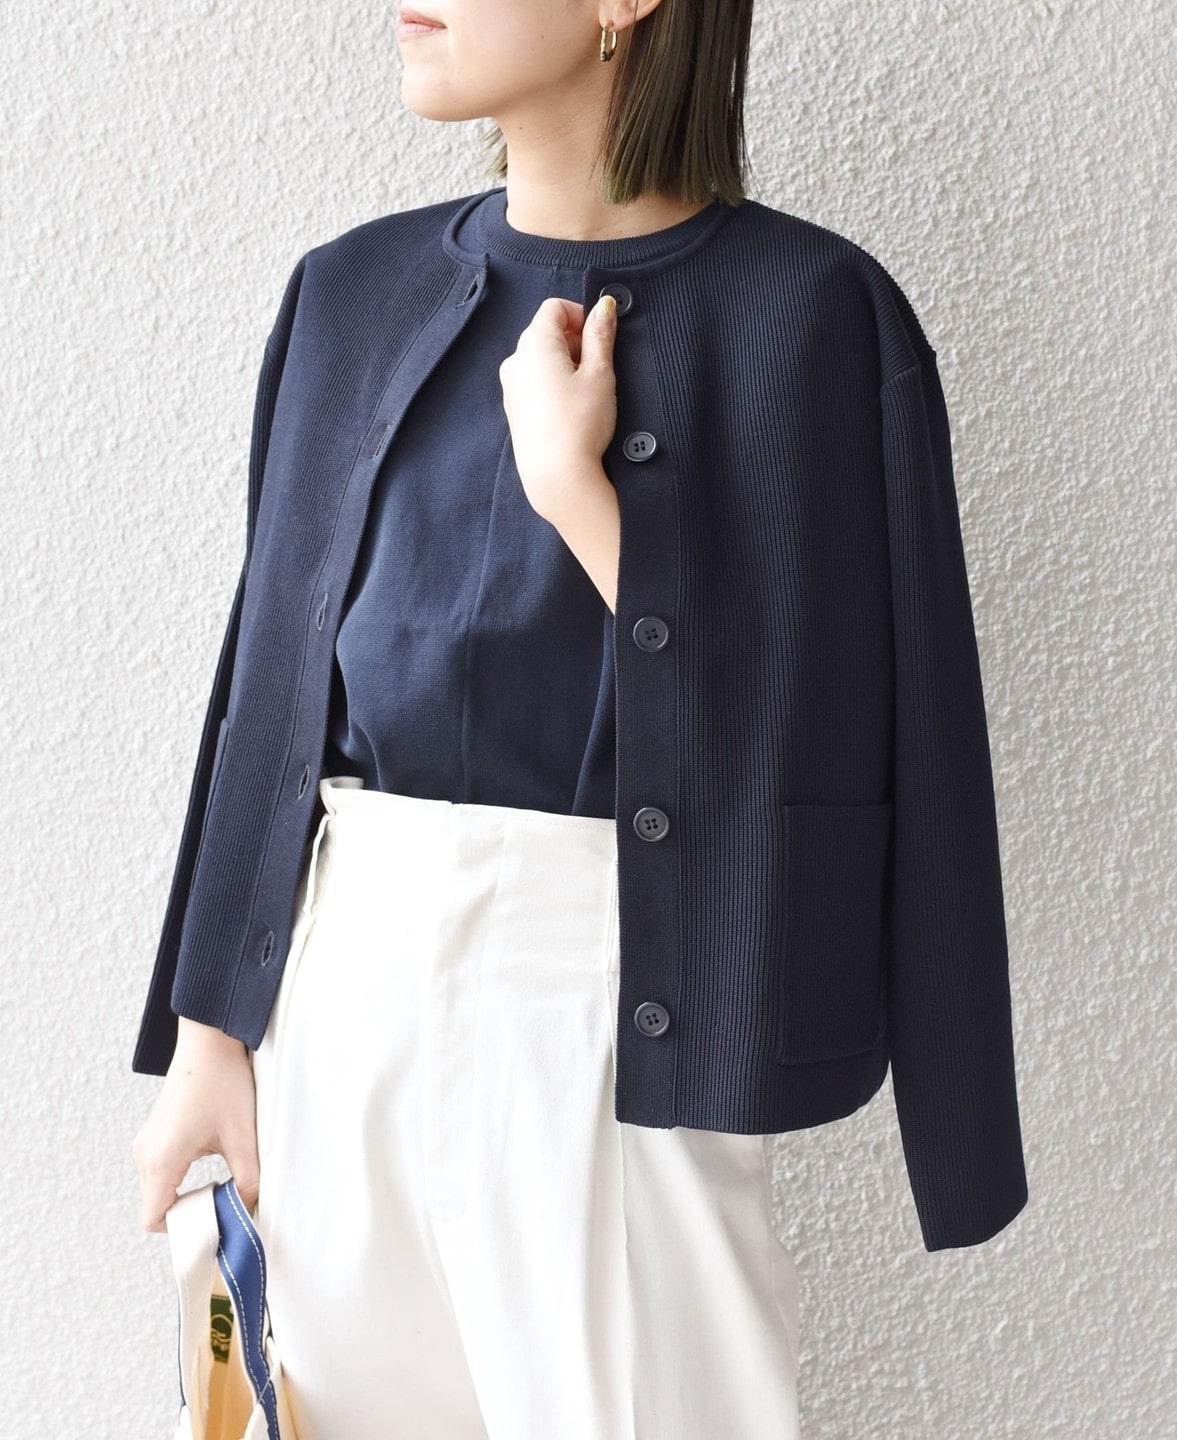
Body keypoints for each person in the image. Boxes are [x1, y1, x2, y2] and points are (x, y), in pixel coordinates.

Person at [132, 2, 1028, 1436]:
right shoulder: (346, 293)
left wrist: (583, 505)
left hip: (612, 1014)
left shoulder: (811, 317)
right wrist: (208, 1036)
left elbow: (831, 749)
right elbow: (273, 677)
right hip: (332, 1009)